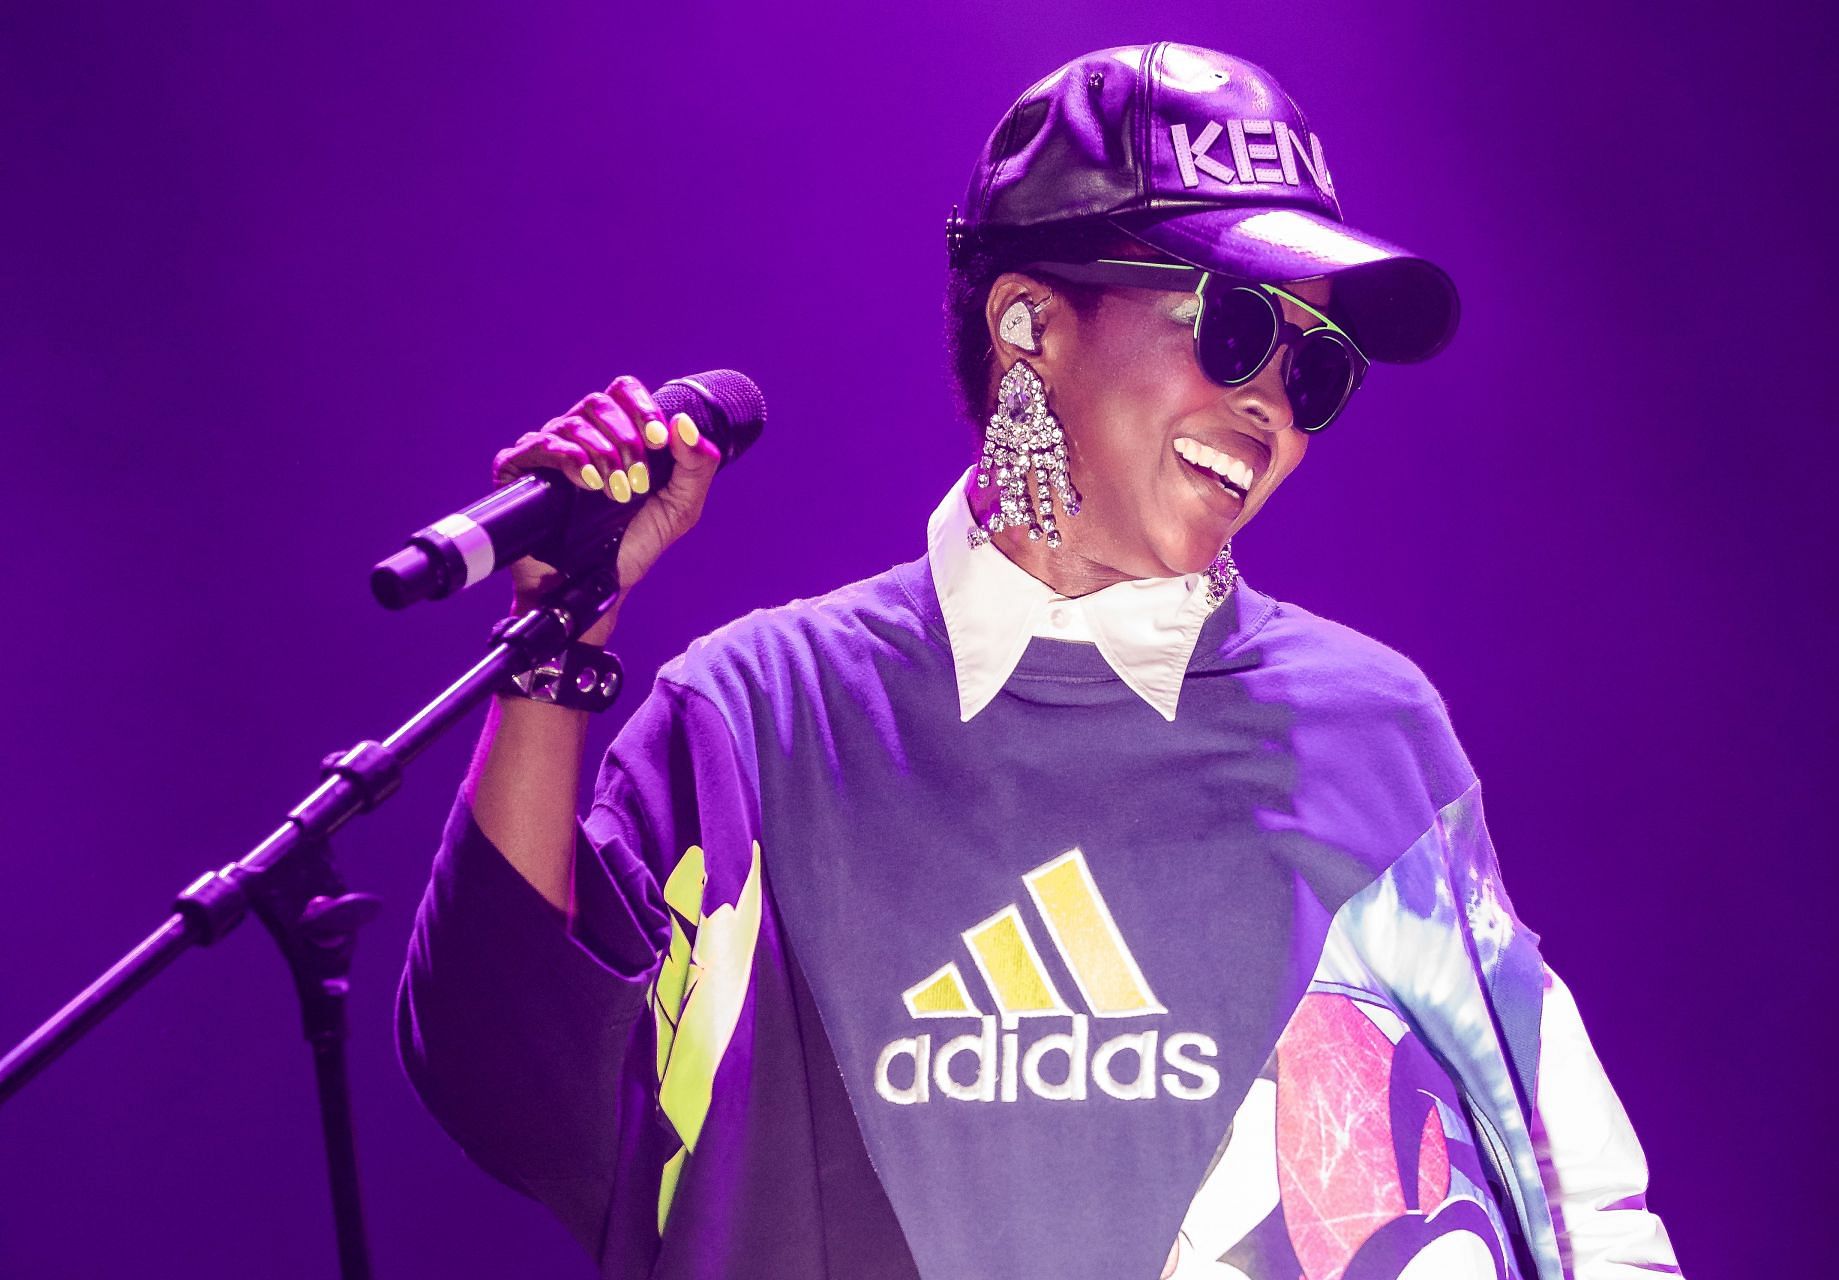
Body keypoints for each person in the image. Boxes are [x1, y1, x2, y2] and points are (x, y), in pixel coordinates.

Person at [396, 41, 1686, 1280]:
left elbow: (1571, 1204)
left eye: (1319, 369)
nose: (1276, 406)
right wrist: (554, 646)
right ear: (1029, 327)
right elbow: (505, 1085)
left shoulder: (1369, 730)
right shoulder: (755, 716)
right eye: (1238, 328)